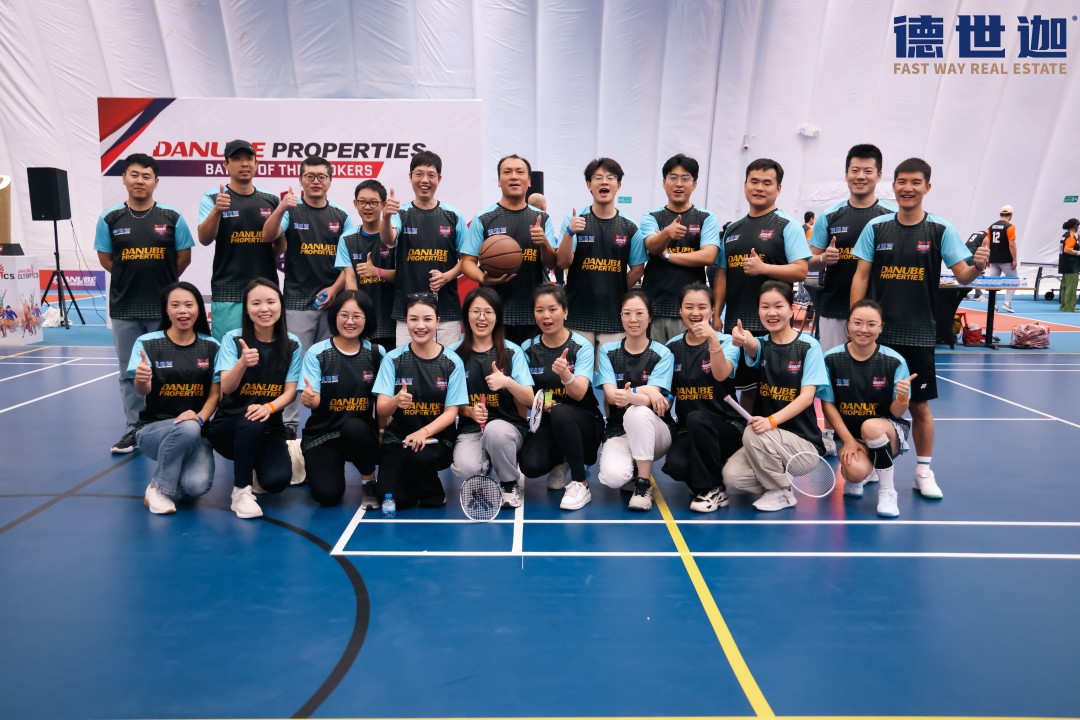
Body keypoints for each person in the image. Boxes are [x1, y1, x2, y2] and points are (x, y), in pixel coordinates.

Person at [851, 157, 990, 499]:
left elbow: (962, 275)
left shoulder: (940, 229)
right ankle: (874, 466)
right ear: (893, 185)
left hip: (918, 333)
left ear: (927, 187)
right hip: (878, 334)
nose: (908, 188)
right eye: (902, 181)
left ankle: (923, 471)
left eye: (915, 182)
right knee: (871, 405)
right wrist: (856, 321)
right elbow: (861, 276)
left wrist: (978, 266)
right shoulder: (876, 228)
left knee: (920, 406)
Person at [95, 153, 195, 455]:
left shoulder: (172, 217)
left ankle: (167, 423)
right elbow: (106, 258)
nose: (140, 181)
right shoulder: (110, 218)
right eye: (134, 175)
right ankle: (134, 426)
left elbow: (184, 257)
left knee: (168, 369)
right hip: (125, 307)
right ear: (124, 179)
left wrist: (164, 284)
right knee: (130, 372)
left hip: (164, 310)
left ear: (156, 182)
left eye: (146, 176)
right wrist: (131, 276)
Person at [807, 144, 896, 454]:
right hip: (833, 308)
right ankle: (830, 431)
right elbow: (808, 260)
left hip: (876, 312)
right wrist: (823, 259)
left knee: (873, 375)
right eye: (855, 170)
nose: (861, 176)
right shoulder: (830, 216)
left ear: (879, 175)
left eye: (867, 171)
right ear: (846, 175)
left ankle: (870, 431)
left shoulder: (889, 217)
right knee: (832, 373)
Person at [263, 155, 357, 436]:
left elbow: (348, 262)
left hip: (333, 304)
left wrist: (335, 289)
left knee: (330, 366)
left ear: (330, 181)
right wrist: (281, 207)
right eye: (310, 176)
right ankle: (289, 425)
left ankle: (327, 423)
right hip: (296, 302)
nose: (316, 181)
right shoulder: (291, 211)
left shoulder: (341, 216)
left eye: (321, 176)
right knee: (294, 366)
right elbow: (267, 235)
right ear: (301, 179)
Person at [713, 158, 810, 413]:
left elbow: (801, 270)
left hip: (774, 324)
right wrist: (717, 314)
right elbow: (722, 273)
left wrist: (763, 268)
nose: (759, 188)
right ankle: (748, 436)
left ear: (778, 188)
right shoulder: (733, 228)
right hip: (738, 324)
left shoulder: (787, 225)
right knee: (745, 391)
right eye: (754, 182)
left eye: (767, 183)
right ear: (745, 185)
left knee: (774, 391)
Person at [722, 281, 828, 511]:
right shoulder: (761, 345)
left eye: (778, 306)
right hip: (766, 442)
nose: (771, 313)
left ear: (791, 309)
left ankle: (781, 492)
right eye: (765, 307)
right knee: (732, 477)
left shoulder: (809, 346)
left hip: (802, 446)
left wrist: (771, 421)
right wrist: (742, 338)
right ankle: (779, 481)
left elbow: (806, 398)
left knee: (753, 430)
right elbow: (751, 344)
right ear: (758, 311)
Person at [207, 278, 302, 519]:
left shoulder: (292, 343)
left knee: (276, 482)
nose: (264, 309)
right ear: (247, 309)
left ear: (280, 305)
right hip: (229, 427)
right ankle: (241, 492)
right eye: (256, 303)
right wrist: (242, 363)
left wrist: (269, 407)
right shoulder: (232, 339)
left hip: (270, 425)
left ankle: (285, 453)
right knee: (252, 419)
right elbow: (226, 388)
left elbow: (290, 391)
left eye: (271, 302)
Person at [128, 282, 220, 514]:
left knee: (196, 486)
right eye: (175, 305)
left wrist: (199, 418)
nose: (183, 311)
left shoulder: (211, 346)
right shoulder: (147, 343)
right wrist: (142, 378)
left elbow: (215, 394)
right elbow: (142, 391)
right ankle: (158, 488)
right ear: (166, 310)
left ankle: (173, 472)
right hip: (153, 430)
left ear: (198, 309)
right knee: (187, 427)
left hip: (197, 430)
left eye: (189, 305)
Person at [819, 299, 913, 517]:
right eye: (857, 322)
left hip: (886, 432)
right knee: (854, 473)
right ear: (848, 325)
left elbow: (897, 413)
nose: (864, 329)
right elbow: (828, 405)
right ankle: (869, 470)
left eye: (871, 324)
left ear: (881, 328)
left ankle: (887, 491)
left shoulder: (894, 361)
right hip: (850, 434)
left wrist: (902, 398)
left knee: (871, 427)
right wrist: (848, 441)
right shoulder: (831, 359)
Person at [373, 293, 468, 510]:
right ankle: (410, 482)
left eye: (427, 319)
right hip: (398, 438)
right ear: (406, 321)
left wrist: (423, 433)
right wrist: (396, 401)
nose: (420, 325)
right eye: (413, 319)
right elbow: (382, 408)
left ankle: (434, 493)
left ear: (438, 321)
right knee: (393, 499)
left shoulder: (452, 362)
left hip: (436, 440)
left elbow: (451, 412)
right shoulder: (392, 359)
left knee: (420, 460)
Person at [519, 285, 605, 510]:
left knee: (561, 412)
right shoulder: (527, 348)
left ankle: (581, 483)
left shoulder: (581, 346)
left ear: (565, 312)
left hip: (585, 421)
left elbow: (579, 393)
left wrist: (565, 374)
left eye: (552, 309)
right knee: (530, 465)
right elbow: (526, 395)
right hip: (548, 420)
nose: (546, 316)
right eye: (539, 310)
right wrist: (547, 404)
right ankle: (563, 458)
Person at [662, 283, 745, 513]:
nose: (695, 313)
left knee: (698, 417)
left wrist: (712, 340)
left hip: (727, 426)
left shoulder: (727, 342)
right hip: (689, 429)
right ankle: (712, 482)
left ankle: (711, 488)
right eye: (689, 307)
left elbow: (721, 374)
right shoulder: (672, 347)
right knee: (675, 465)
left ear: (712, 311)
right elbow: (667, 391)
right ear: (680, 311)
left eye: (702, 307)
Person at [449, 287, 535, 508]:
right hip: (471, 428)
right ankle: (486, 463)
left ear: (497, 317)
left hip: (508, 428)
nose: (482, 318)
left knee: (496, 431)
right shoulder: (453, 354)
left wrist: (507, 382)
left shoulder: (512, 352)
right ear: (466, 315)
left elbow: (529, 399)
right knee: (466, 468)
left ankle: (508, 483)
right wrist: (468, 411)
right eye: (475, 311)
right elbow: (446, 402)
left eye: (488, 312)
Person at [299, 290, 385, 508]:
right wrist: (310, 399)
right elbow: (314, 400)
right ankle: (311, 461)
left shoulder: (376, 353)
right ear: (334, 316)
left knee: (354, 427)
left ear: (366, 319)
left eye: (357, 316)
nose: (350, 321)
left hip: (360, 433)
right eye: (344, 315)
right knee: (327, 495)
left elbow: (383, 402)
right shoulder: (317, 353)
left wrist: (383, 431)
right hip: (323, 434)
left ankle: (368, 481)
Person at [461, 155, 558, 345]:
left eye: (520, 172)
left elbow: (551, 262)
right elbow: (467, 262)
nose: (514, 176)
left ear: (529, 181)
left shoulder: (542, 218)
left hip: (535, 312)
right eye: (507, 172)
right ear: (499, 181)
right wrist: (483, 278)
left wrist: (544, 243)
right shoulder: (484, 217)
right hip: (494, 312)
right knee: (498, 363)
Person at [594, 290, 674, 511]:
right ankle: (633, 465)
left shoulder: (663, 353)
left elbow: (649, 401)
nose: (633, 319)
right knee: (613, 478)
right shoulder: (608, 351)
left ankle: (643, 484)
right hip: (619, 429)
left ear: (650, 317)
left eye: (639, 313)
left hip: (657, 432)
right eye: (627, 313)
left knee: (637, 411)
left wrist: (634, 396)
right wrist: (645, 390)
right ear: (620, 316)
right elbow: (612, 396)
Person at [555, 157, 646, 350]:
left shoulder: (630, 227)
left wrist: (616, 288)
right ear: (589, 184)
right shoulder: (575, 220)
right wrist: (569, 233)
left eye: (610, 178)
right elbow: (562, 262)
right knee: (578, 369)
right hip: (577, 315)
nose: (604, 182)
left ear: (618, 185)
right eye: (598, 178)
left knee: (609, 370)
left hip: (613, 317)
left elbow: (638, 269)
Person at [378, 150, 467, 347]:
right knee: (407, 363)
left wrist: (447, 276)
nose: (424, 180)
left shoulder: (453, 215)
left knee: (446, 362)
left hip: (446, 311)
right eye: (419, 174)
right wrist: (386, 217)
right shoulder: (401, 213)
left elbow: (467, 259)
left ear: (439, 179)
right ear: (411, 177)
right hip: (407, 311)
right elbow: (388, 239)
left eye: (431, 175)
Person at [197, 139, 283, 342]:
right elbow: (204, 239)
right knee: (227, 351)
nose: (244, 164)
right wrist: (217, 211)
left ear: (256, 163)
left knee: (266, 352)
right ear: (225, 164)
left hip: (265, 291)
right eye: (236, 159)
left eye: (249, 159)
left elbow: (280, 244)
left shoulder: (271, 199)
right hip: (228, 291)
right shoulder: (213, 198)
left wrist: (258, 254)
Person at [640, 154, 721, 343]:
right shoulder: (651, 216)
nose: (678, 184)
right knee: (655, 358)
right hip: (655, 306)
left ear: (694, 184)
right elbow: (652, 246)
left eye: (685, 179)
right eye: (673, 178)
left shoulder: (706, 217)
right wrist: (667, 233)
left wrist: (668, 255)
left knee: (689, 359)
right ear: (664, 183)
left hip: (692, 310)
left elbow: (708, 256)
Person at [339, 180, 397, 352]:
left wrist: (377, 272)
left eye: (373, 202)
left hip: (395, 319)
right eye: (362, 202)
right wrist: (357, 318)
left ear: (384, 205)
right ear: (355, 203)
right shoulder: (347, 239)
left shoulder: (395, 234)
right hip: (364, 322)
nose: (367, 207)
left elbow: (404, 276)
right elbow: (350, 281)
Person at [985, 205, 1019, 313]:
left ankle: (993, 305)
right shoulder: (1010, 227)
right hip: (1005, 259)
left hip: (994, 259)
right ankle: (1007, 303)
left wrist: (988, 257)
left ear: (1000, 214)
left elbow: (988, 243)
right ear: (1011, 215)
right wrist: (1014, 259)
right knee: (1014, 280)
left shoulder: (991, 226)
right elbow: (1012, 244)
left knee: (993, 283)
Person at [1058, 218, 1080, 312]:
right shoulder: (1071, 236)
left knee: (1065, 286)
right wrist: (1078, 252)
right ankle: (1069, 307)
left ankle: (1064, 306)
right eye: (1078, 226)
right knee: (1071, 287)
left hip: (1065, 264)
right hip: (1071, 266)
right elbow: (1067, 249)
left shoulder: (1065, 235)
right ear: (1075, 226)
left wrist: (1078, 240)